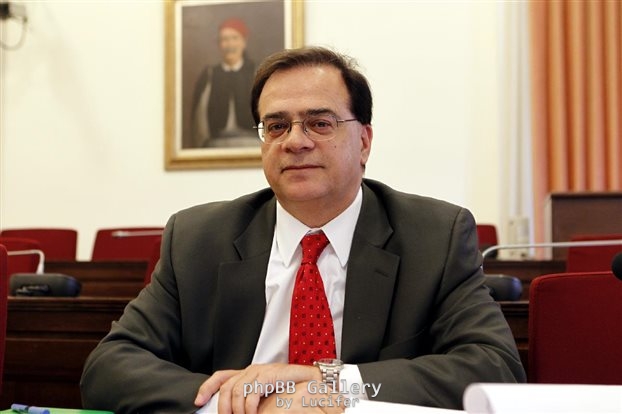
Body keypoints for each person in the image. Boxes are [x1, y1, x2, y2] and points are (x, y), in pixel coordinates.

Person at [81, 46, 526, 413]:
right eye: (276, 126)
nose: (295, 141)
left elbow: (494, 368)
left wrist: (329, 385)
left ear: (364, 141)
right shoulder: (198, 238)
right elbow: (110, 366)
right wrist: (234, 402)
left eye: (320, 123)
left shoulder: (434, 236)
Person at [190, 18, 258, 148]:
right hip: (216, 144)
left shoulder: (256, 72)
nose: (229, 44)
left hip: (253, 143)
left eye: (234, 38)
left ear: (244, 42)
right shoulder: (210, 75)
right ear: (219, 44)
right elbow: (199, 117)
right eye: (224, 39)